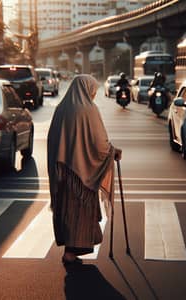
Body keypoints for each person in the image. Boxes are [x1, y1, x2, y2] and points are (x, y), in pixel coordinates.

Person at [47, 74, 122, 265]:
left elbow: (52, 141)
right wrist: (113, 152)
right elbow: (99, 144)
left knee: (67, 211)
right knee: (79, 213)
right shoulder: (89, 110)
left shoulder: (61, 109)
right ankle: (71, 252)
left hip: (62, 171)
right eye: (93, 90)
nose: (94, 94)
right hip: (82, 174)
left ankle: (70, 249)